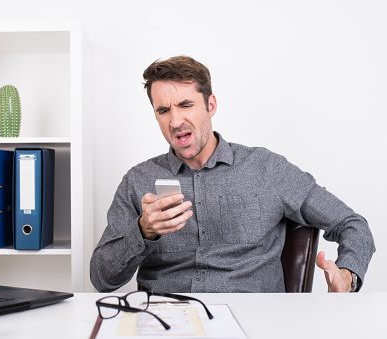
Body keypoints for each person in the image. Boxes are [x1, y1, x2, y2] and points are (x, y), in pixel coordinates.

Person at [90, 56, 375, 293]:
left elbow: (352, 223)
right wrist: (143, 231)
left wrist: (348, 275)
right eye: (163, 110)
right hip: (166, 321)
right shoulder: (137, 180)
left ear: (210, 105)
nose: (175, 121)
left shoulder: (267, 169)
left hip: (252, 322)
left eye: (186, 105)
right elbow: (102, 278)